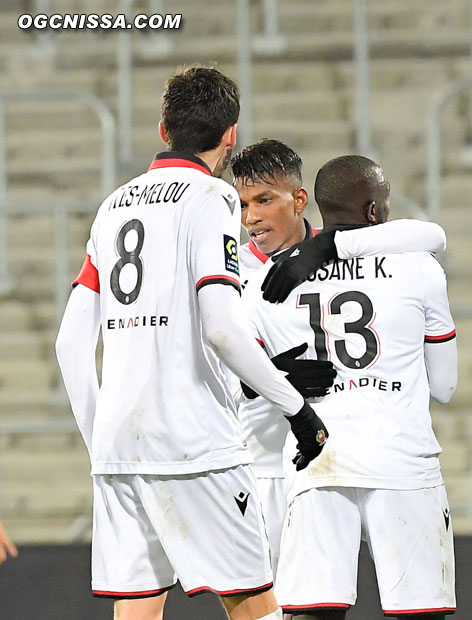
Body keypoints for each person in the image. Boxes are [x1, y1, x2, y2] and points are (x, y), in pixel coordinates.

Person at [54, 67, 330, 620]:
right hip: (193, 442)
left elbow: (70, 343)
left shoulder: (113, 207)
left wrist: (101, 443)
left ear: (163, 130)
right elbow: (222, 328)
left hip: (118, 448)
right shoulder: (212, 199)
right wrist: (297, 409)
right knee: (251, 598)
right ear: (231, 135)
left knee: (138, 605)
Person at [241, 155, 457, 620]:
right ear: (377, 211)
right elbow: (445, 386)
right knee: (419, 612)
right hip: (401, 459)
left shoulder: (269, 283)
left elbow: (239, 377)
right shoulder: (419, 269)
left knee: (311, 613)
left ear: (313, 207)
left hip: (315, 460)